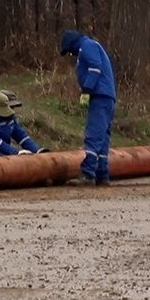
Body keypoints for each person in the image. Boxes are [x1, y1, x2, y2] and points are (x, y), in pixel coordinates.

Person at [59, 29, 116, 186]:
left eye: (70, 52)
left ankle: (88, 173)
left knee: (94, 135)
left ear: (72, 45)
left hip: (99, 96)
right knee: (103, 138)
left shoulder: (87, 46)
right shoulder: (90, 46)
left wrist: (87, 89)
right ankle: (102, 174)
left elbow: (94, 68)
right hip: (106, 96)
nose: (71, 55)